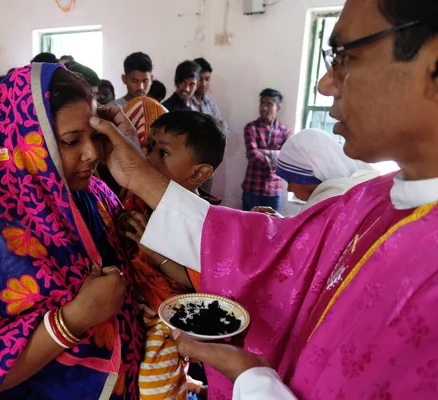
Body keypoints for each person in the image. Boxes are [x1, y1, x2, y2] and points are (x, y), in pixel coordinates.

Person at [87, 0, 438, 398]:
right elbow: (262, 254)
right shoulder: (372, 199)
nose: (325, 84)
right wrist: (137, 176)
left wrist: (253, 382)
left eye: (346, 55)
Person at [0, 63, 142, 399]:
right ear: (24, 139)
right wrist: (72, 320)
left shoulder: (95, 194)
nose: (92, 153)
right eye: (70, 140)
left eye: (95, 135)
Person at [120, 111, 226, 399]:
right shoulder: (140, 196)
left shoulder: (200, 220)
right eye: (149, 148)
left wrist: (154, 252)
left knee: (154, 387)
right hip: (134, 307)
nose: (149, 159)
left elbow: (197, 282)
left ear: (198, 174)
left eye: (163, 153)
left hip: (165, 321)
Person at [269, 128, 379, 213]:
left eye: (289, 181)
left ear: (305, 177)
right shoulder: (355, 184)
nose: (289, 189)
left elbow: (304, 239)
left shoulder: (328, 202)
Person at [241, 88, 291, 212]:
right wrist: (274, 158)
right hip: (253, 186)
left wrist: (266, 152)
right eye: (262, 103)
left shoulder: (284, 131)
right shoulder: (251, 128)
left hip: (274, 189)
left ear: (278, 107)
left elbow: (287, 157)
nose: (264, 108)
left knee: (272, 228)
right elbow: (253, 154)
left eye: (269, 104)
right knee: (248, 226)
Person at [191, 58, 228, 136]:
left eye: (207, 79)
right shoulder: (184, 103)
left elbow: (224, 132)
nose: (204, 84)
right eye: (200, 79)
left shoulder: (210, 104)